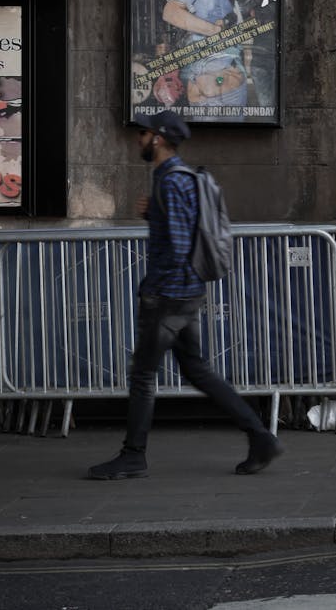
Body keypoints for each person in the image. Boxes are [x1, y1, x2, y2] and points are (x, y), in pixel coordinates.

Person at [87, 109, 283, 480]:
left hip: (169, 296)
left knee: (143, 375)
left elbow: (178, 247)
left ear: (158, 138)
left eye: (142, 134)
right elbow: (182, 230)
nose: (138, 140)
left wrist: (152, 290)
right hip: (185, 293)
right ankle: (260, 437)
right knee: (197, 370)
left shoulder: (171, 181)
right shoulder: (177, 179)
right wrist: (154, 216)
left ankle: (133, 455)